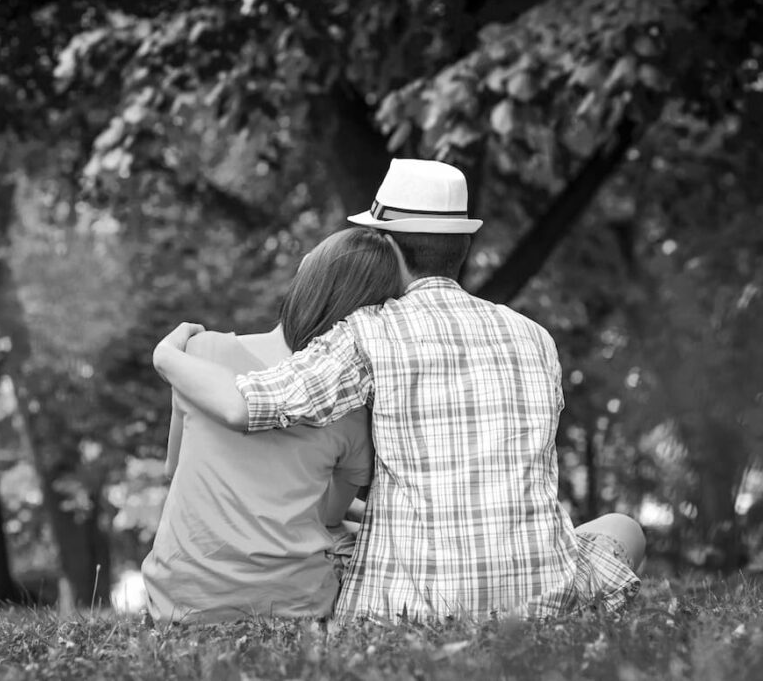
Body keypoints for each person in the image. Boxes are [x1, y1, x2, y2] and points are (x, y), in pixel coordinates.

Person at [152, 159, 644, 620]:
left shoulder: (368, 331)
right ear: (462, 247)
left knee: (337, 537)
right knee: (623, 528)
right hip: (540, 592)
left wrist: (168, 355)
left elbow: (247, 403)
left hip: (415, 602)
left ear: (386, 247)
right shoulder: (535, 336)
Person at [142, 226, 405, 623]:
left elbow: (173, 469)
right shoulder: (352, 411)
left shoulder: (200, 353)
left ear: (305, 277)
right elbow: (330, 517)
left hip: (181, 604)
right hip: (294, 609)